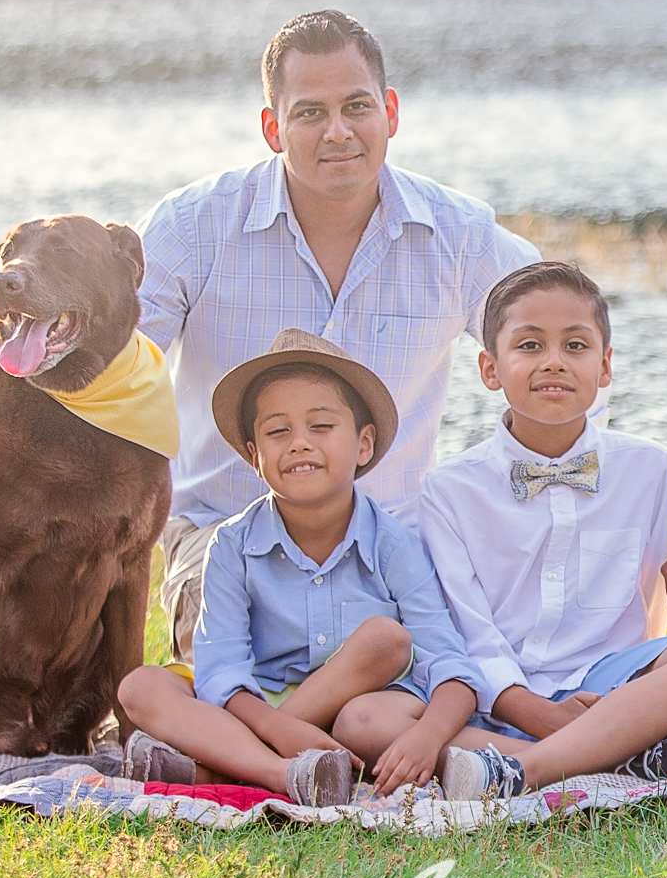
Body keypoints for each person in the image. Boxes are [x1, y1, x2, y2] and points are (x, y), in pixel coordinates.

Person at [0, 10, 539, 663]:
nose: (338, 131)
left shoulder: (458, 234)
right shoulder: (195, 226)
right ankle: (287, 736)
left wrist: (518, 487)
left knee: (459, 660)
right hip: (225, 536)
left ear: (390, 113)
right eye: (310, 112)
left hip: (393, 537)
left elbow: (560, 338)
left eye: (357, 107)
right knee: (241, 658)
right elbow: (92, 348)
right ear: (272, 128)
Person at [416, 262, 667, 799]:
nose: (554, 362)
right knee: (374, 720)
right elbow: (468, 628)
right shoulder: (449, 489)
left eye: (575, 346)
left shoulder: (650, 468)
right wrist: (537, 713)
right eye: (529, 346)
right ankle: (613, 761)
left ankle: (521, 773)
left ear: (605, 366)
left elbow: (649, 605)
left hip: (612, 688)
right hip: (496, 694)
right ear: (489, 368)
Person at [115, 330, 490, 804]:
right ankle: (280, 773)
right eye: (277, 432)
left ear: (364, 445)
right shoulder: (231, 545)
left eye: (321, 426)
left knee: (385, 641)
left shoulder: (394, 544)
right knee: (142, 686)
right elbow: (220, 673)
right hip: (261, 707)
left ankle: (221, 764)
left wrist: (429, 736)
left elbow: (449, 662)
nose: (298, 444)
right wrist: (280, 728)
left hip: (365, 711)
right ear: (254, 456)